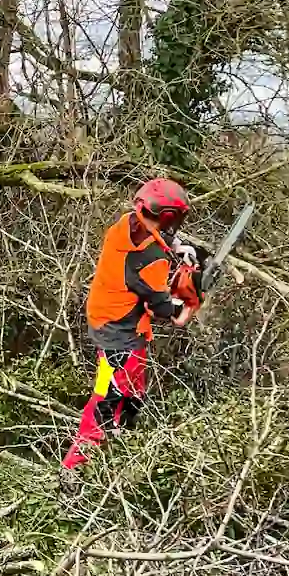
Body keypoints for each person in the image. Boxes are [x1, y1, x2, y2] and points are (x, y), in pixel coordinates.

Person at [61, 179, 203, 476]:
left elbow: (154, 246)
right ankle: (74, 470)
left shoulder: (125, 226)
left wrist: (180, 248)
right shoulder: (149, 260)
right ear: (167, 217)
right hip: (120, 336)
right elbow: (167, 312)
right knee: (107, 398)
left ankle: (122, 436)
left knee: (132, 390)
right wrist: (192, 301)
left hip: (107, 319)